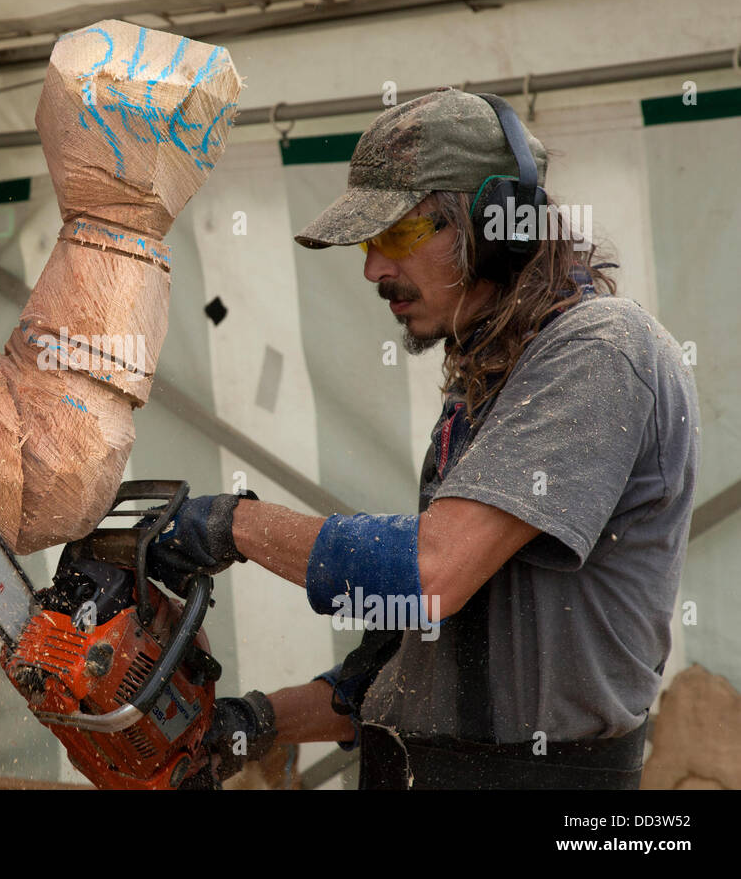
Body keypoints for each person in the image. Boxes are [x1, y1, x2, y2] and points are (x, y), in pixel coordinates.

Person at [150, 86, 700, 789]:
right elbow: (411, 666)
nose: (374, 269)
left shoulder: (600, 352)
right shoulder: (490, 379)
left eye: (398, 234)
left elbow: (434, 573)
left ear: (500, 225)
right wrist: (249, 723)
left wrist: (232, 525)